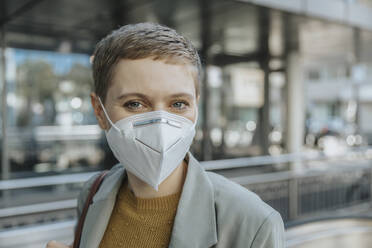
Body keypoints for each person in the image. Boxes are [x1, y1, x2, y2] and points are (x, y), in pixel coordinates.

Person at [47, 22, 285, 248]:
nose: (161, 124)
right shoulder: (93, 193)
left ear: (196, 106)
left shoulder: (253, 224)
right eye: (135, 104)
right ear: (99, 111)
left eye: (179, 104)